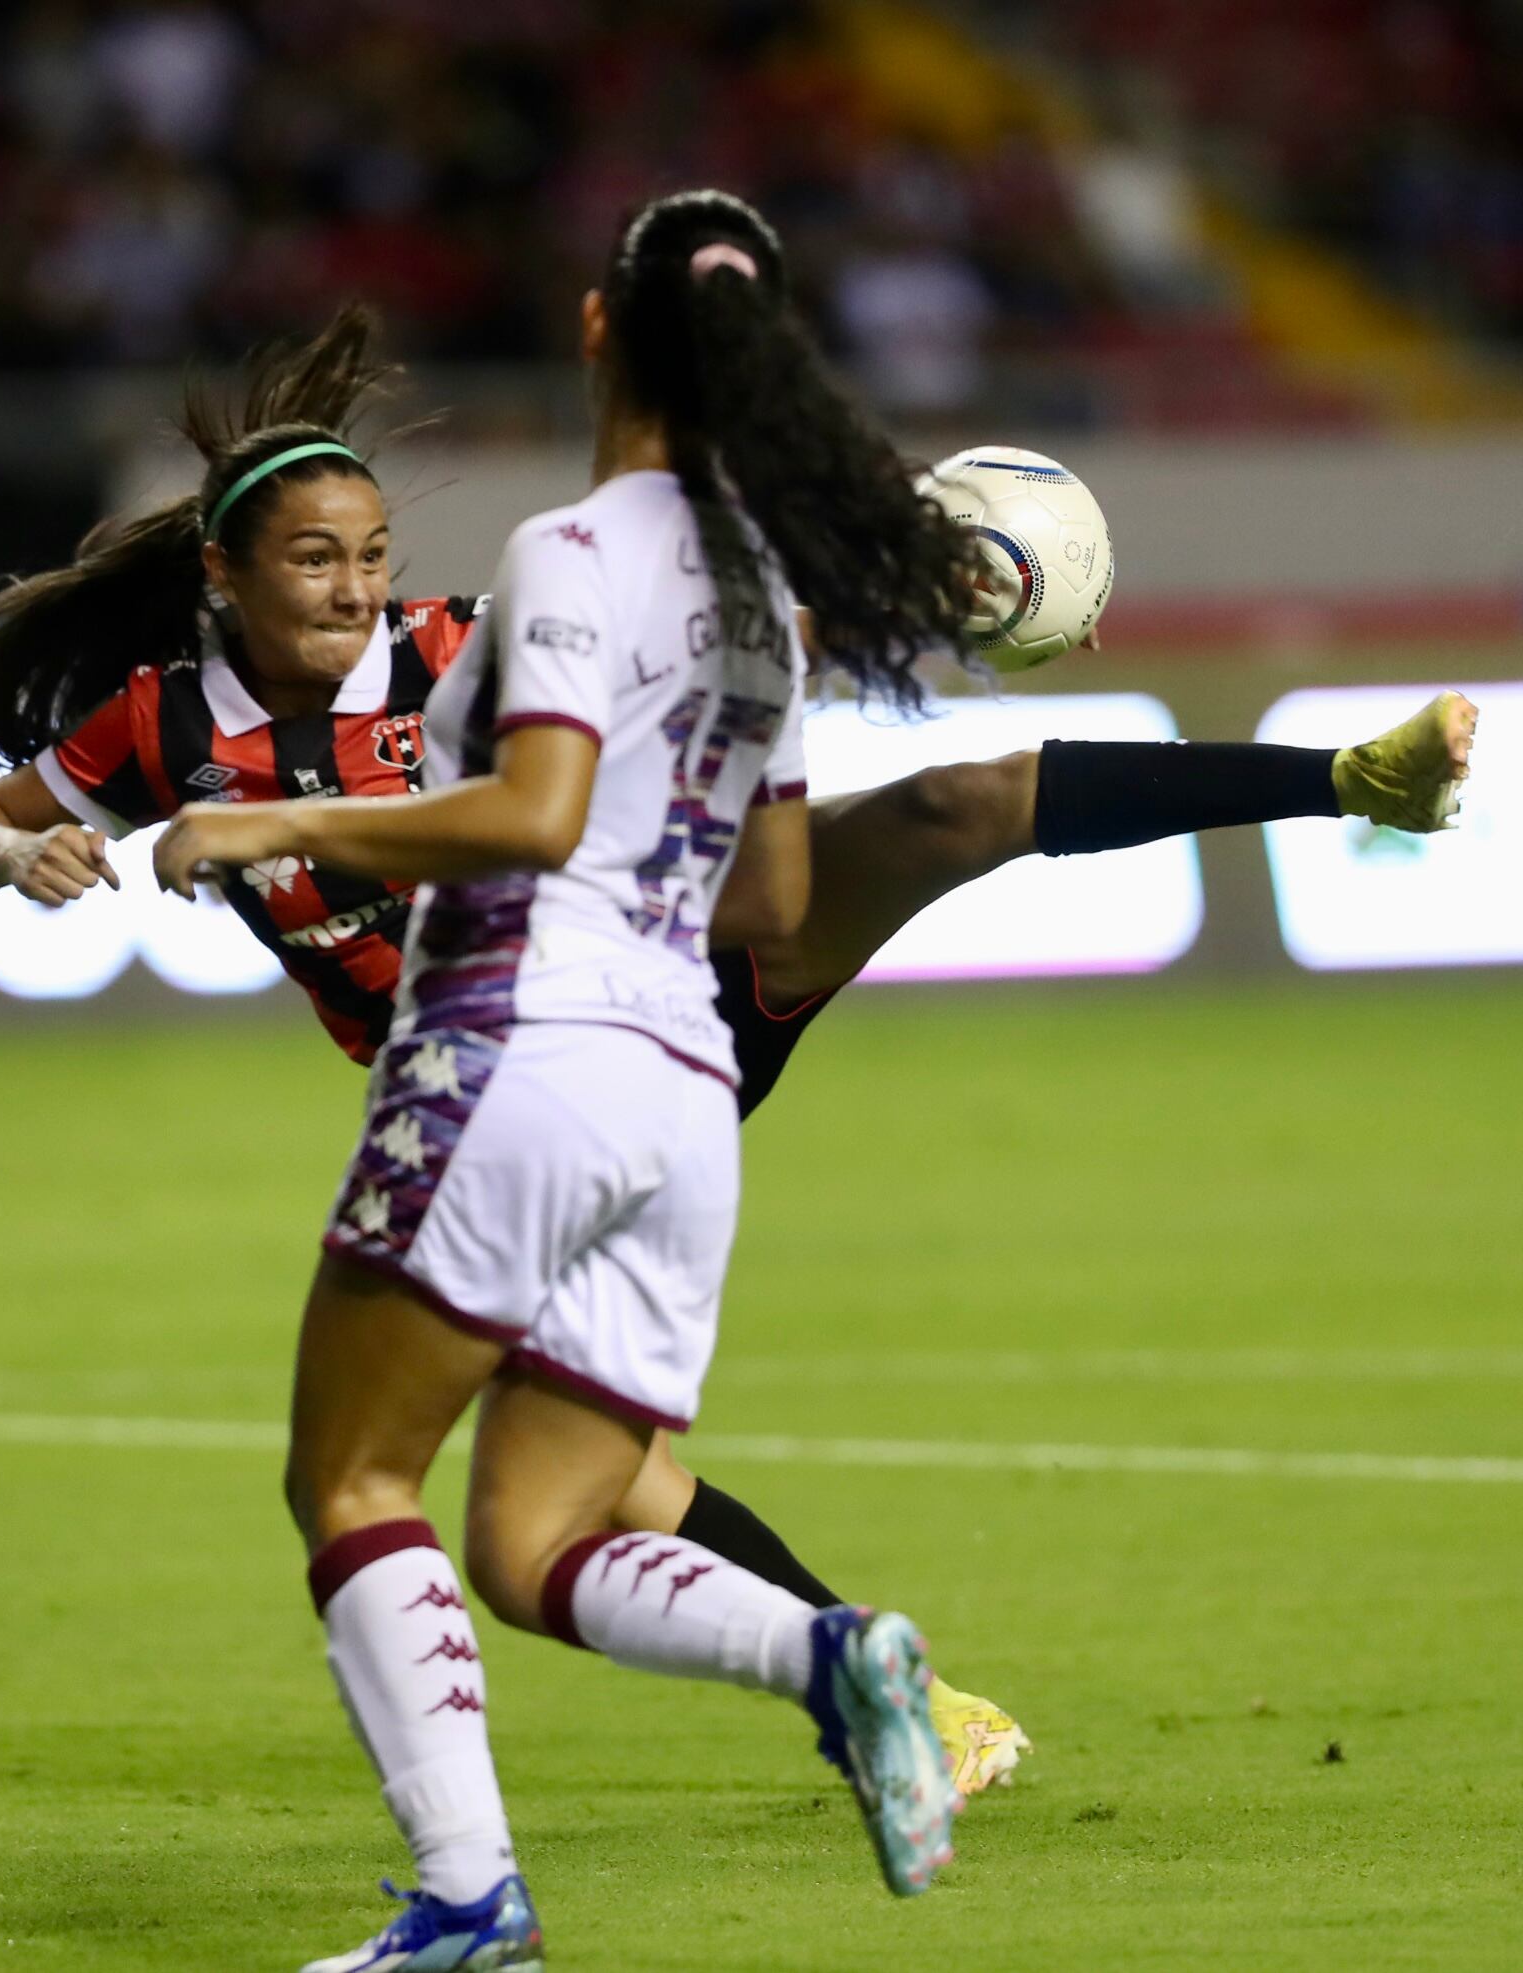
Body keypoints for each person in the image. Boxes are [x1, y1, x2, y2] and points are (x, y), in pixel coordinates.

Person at [0, 308, 1476, 1808]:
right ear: (223, 572)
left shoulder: (456, 653)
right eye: (315, 561)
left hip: (669, 986)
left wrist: (882, 596)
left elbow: (668, 659)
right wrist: (26, 858)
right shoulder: (155, 726)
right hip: (489, 1097)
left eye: (371, 556)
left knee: (955, 809)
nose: (355, 589)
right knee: (606, 1483)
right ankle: (899, 1689)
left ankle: (1352, 776)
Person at [121, 186, 975, 1962]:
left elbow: (535, 814)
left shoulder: (574, 551)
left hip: (519, 1045)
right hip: (680, 1095)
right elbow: (783, 896)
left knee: (352, 1480)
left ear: (600, 330)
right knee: (532, 1541)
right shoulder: (760, 598)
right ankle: (830, 1650)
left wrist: (278, 814)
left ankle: (464, 1898)